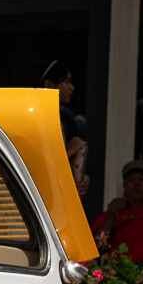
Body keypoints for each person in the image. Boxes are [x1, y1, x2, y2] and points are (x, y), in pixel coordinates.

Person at [40, 59, 91, 199]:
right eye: (67, 82)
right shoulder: (37, 120)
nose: (72, 88)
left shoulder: (64, 119)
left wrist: (81, 177)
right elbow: (38, 166)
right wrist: (70, 150)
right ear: (49, 85)